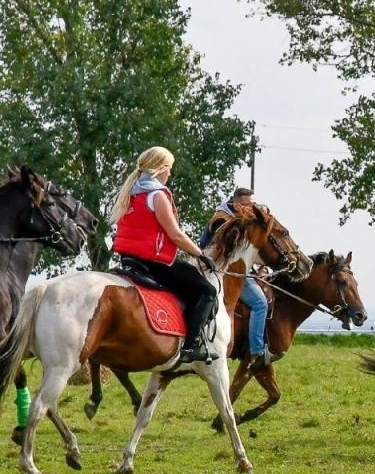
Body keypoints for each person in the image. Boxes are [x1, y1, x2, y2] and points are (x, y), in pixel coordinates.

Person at [108, 146, 219, 364]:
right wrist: (200, 254)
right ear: (161, 168)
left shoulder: (131, 192)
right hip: (155, 264)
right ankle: (191, 345)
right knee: (208, 291)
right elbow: (175, 235)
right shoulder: (157, 195)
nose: (169, 173)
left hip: (129, 260)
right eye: (169, 168)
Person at [199, 186, 274, 371]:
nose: (252, 208)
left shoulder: (236, 217)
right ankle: (256, 350)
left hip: (231, 270)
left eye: (253, 204)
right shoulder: (222, 219)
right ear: (236, 202)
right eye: (249, 205)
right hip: (221, 273)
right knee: (260, 303)